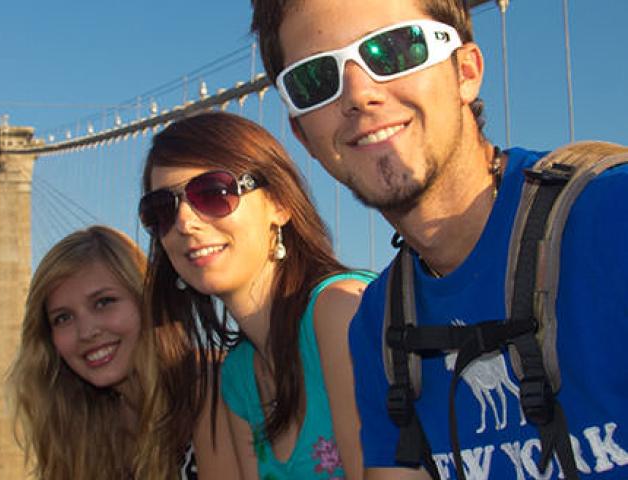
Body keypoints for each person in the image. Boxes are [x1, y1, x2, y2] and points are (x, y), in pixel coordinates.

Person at [249, 0, 628, 478]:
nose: (360, 93)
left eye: (394, 50)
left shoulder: (614, 219)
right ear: (304, 136)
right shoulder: (380, 323)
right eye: (314, 80)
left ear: (466, 72)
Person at [140, 111, 372, 479]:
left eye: (212, 193)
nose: (184, 222)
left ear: (279, 204)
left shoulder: (341, 312)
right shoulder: (239, 376)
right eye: (161, 210)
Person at [9, 225, 237, 479]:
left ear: (146, 299)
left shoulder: (214, 387)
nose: (86, 332)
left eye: (104, 302)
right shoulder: (86, 429)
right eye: (63, 318)